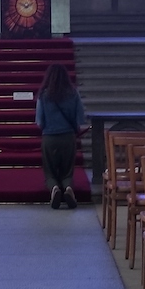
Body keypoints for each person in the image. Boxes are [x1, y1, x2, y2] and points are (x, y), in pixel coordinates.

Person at [35, 63, 87, 210]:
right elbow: (80, 118)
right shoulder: (73, 92)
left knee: (50, 170)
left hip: (49, 138)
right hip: (68, 137)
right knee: (67, 170)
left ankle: (54, 189)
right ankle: (68, 188)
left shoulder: (43, 95)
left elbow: (39, 121)